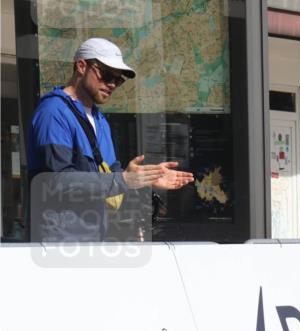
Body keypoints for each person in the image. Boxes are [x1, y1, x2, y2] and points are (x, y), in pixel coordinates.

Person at [27, 38, 193, 243]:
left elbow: (111, 174)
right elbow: (58, 182)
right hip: (58, 243)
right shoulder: (53, 113)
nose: (112, 84)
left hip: (94, 240)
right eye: (106, 75)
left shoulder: (99, 119)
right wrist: (123, 180)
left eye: (118, 79)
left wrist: (145, 179)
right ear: (81, 66)